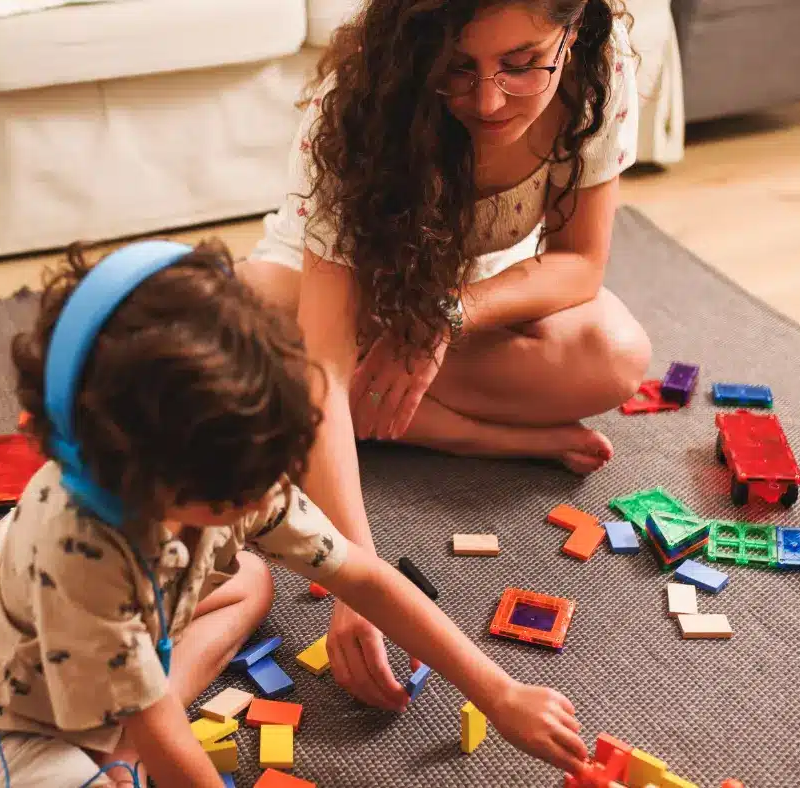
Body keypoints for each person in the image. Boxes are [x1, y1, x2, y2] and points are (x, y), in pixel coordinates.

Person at [0, 239, 590, 788]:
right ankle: (114, 747)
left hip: (108, 647)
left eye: (275, 477)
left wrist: (499, 693)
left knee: (250, 579)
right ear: (127, 473)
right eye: (237, 498)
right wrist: (150, 747)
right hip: (0, 717)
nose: (266, 501)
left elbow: (369, 579)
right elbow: (163, 738)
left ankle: (123, 734)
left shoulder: (234, 466)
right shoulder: (81, 550)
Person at [237, 0, 652, 713]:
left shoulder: (598, 70)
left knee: (614, 356)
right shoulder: (359, 102)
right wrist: (357, 578)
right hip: (330, 292)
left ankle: (365, 418)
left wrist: (440, 317)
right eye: (456, 70)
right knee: (253, 323)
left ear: (572, 29)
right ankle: (466, 431)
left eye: (521, 66)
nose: (488, 100)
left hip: (464, 296)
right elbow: (325, 367)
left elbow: (579, 264)